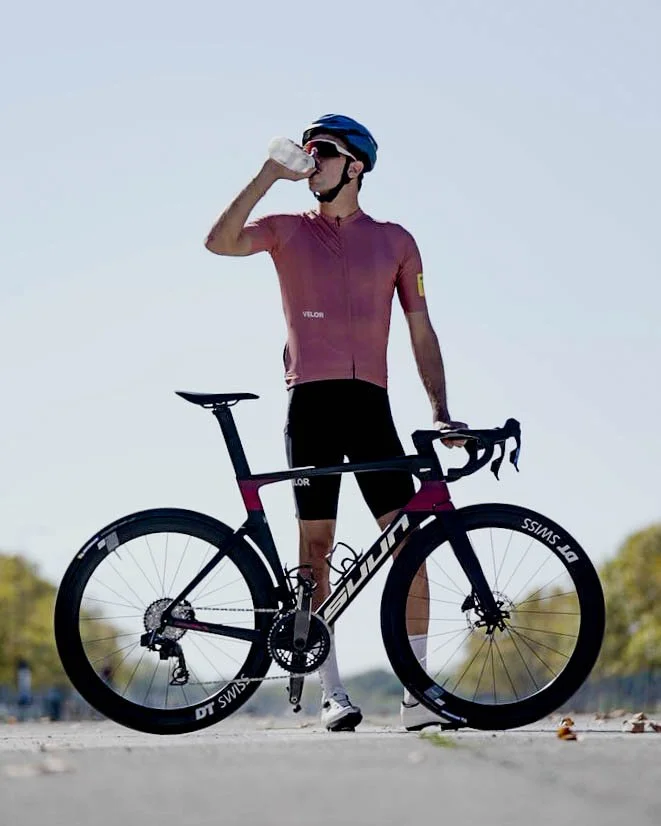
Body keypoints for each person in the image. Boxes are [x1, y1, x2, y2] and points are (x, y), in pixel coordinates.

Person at [205, 114, 466, 732]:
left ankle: (417, 695)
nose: (308, 160)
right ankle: (332, 692)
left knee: (410, 545)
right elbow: (219, 241)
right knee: (314, 550)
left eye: (319, 152)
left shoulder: (395, 240)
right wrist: (269, 173)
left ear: (356, 166)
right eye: (306, 151)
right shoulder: (287, 230)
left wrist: (440, 411)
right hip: (311, 405)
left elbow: (420, 327)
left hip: (370, 405)